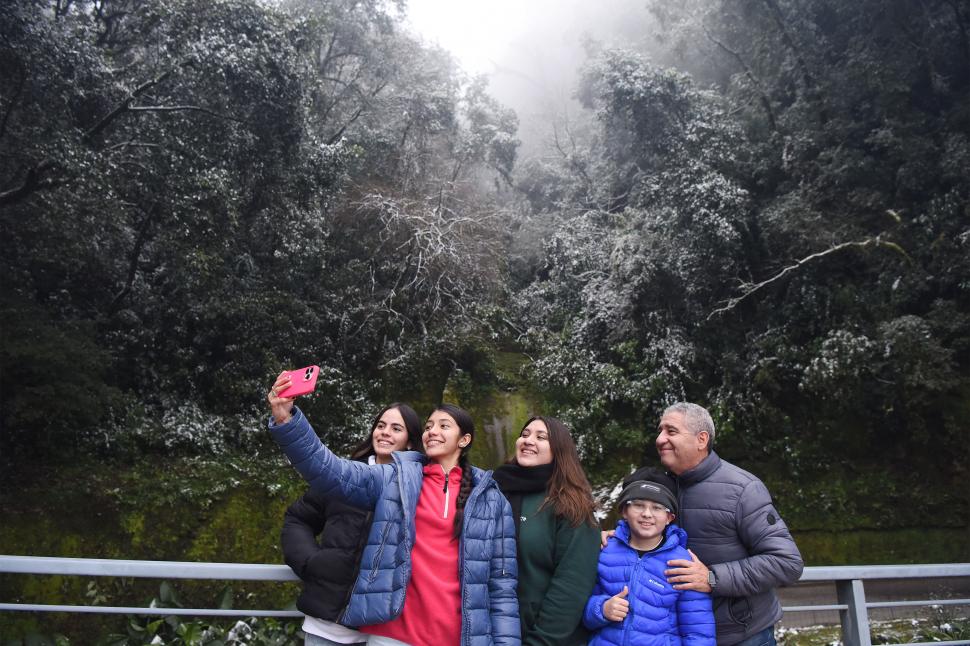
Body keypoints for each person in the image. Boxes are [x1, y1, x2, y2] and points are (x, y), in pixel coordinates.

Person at [266, 372, 520, 646]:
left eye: (444, 426)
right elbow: (330, 470)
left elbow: (502, 586)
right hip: (392, 636)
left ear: (464, 440)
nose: (432, 431)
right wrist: (286, 420)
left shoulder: (491, 499)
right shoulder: (396, 479)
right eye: (429, 425)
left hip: (457, 638)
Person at [629, 402, 803, 646]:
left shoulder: (743, 489)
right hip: (679, 635)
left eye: (671, 431)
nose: (659, 439)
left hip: (741, 635)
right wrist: (614, 536)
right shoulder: (659, 488)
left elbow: (787, 562)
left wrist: (712, 578)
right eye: (659, 431)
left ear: (701, 439)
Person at [281, 402, 422, 646]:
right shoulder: (342, 477)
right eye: (381, 425)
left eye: (396, 428)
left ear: (410, 442)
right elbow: (299, 518)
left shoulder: (417, 491)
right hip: (327, 625)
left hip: (384, 632)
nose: (385, 432)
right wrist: (310, 562)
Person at [492, 416, 600, 645]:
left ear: (559, 450)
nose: (528, 440)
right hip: (488, 631)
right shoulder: (494, 491)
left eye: (541, 437)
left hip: (541, 637)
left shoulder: (571, 505)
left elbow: (571, 586)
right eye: (525, 434)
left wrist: (540, 641)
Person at [584, 472, 716, 646]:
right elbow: (578, 606)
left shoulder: (684, 564)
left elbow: (699, 632)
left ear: (670, 518)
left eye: (657, 507)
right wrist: (601, 609)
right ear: (624, 511)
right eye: (638, 505)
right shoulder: (604, 550)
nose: (647, 514)